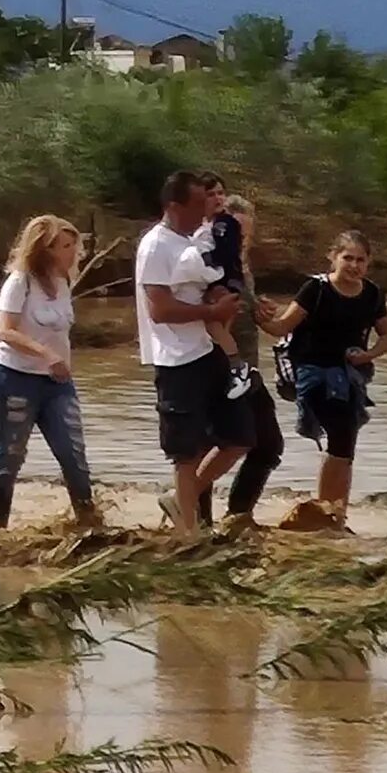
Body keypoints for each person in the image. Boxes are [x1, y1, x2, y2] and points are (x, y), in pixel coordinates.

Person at [137, 168, 250, 535]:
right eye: (199, 203)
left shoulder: (196, 238)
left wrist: (221, 300)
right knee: (185, 451)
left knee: (239, 437)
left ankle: (181, 500)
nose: (206, 210)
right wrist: (211, 312)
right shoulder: (157, 245)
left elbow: (208, 279)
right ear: (174, 205)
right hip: (175, 357)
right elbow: (160, 309)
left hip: (206, 348)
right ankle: (188, 531)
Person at [257, 229, 387, 527]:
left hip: (351, 377)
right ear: (333, 257)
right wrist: (260, 316)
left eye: (361, 260)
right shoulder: (315, 289)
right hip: (313, 376)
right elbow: (281, 327)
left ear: (368, 263)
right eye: (348, 258)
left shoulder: (372, 294)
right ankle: (327, 513)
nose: (354, 266)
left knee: (345, 446)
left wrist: (369, 355)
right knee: (341, 440)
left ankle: (335, 514)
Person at [0, 214, 100, 530]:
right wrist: (46, 354)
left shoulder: (63, 282)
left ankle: (89, 524)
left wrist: (57, 360)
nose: (75, 252)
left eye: (75, 244)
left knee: (73, 454)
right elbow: (5, 331)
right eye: (66, 245)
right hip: (16, 378)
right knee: (10, 455)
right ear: (45, 249)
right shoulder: (20, 282)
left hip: (58, 383)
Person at [200, 181, 287, 527]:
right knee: (215, 444)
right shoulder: (212, 264)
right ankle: (198, 514)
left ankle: (238, 513)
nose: (241, 243)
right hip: (219, 366)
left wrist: (258, 307)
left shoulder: (241, 266)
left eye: (246, 237)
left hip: (246, 367)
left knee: (267, 444)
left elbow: (242, 308)